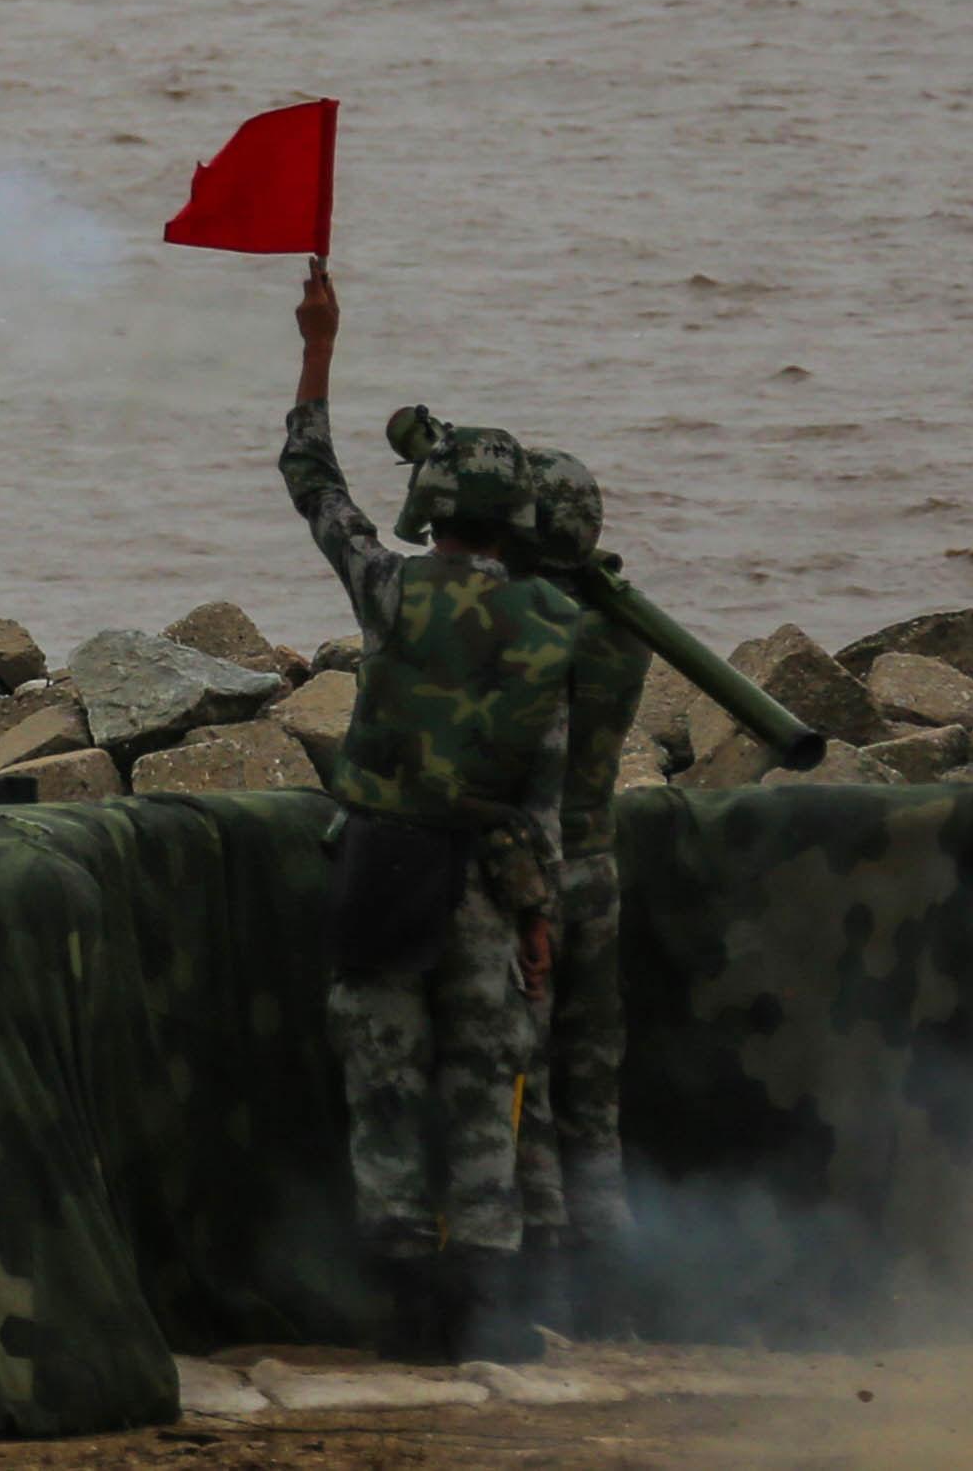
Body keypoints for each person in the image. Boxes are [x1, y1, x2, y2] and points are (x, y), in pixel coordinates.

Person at [275, 262, 584, 1365]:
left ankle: (403, 1313)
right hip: (484, 889)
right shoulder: (546, 620)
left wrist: (318, 348)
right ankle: (484, 1322)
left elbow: (313, 484)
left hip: (377, 870)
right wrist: (536, 914)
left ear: (431, 507)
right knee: (481, 1104)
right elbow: (535, 787)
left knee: (383, 1093)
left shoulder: (389, 586)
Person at [500, 440, 649, 1333]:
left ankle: (544, 1286)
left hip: (535, 873)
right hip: (599, 864)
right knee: (594, 1093)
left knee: (527, 1087)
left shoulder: (535, 628)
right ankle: (614, 1290)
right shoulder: (620, 625)